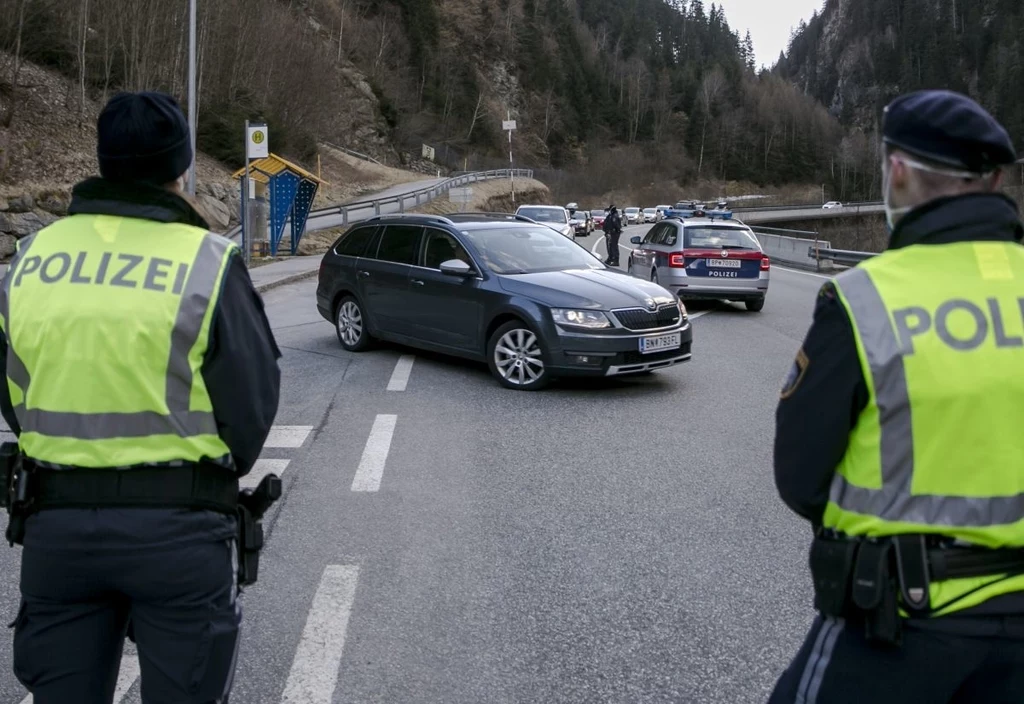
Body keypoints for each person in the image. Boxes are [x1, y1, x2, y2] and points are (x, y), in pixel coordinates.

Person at [1, 91, 281, 703]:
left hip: (57, 530)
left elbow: (12, 392)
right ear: (181, 170)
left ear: (102, 164)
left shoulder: (32, 257)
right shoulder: (207, 261)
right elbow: (251, 411)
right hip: (179, 537)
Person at [769, 89, 1024, 703]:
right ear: (993, 179)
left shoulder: (865, 300)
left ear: (899, 170)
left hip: (901, 621)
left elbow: (800, 477)